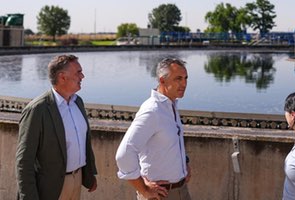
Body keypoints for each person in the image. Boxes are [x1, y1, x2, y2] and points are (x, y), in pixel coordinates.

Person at [16, 54, 98, 200]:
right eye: (78, 72)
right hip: (50, 188)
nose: (83, 76)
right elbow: (24, 160)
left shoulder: (77, 102)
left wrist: (89, 175)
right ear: (62, 77)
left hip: (76, 179)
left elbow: (83, 142)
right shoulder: (37, 110)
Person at [115, 58, 192, 200]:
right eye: (178, 79)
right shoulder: (152, 110)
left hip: (180, 190)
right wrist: (143, 189)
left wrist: (184, 162)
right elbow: (124, 154)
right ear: (162, 81)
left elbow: (169, 141)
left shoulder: (170, 105)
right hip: (160, 195)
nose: (184, 83)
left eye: (186, 78)